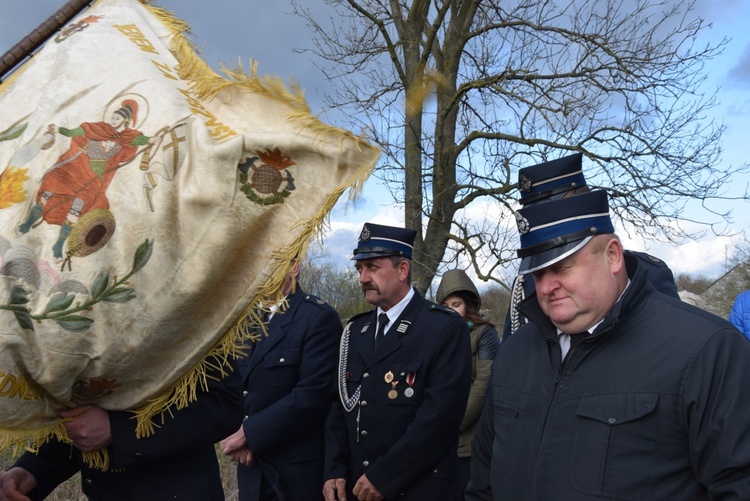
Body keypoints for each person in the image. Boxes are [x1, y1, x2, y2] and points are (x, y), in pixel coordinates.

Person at [466, 190, 750, 500]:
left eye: (561, 267)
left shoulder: (707, 349)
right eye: (537, 272)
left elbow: (737, 484)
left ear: (612, 255)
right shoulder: (515, 351)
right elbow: (483, 478)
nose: (545, 286)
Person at [323, 222, 472, 501]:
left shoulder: (443, 328)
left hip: (418, 490)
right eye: (359, 269)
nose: (362, 278)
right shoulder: (356, 331)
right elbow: (338, 407)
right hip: (358, 490)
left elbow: (440, 419)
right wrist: (334, 468)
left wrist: (384, 476)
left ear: (403, 270)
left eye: (372, 268)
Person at [0, 355, 244, 500]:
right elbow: (83, 417)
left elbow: (222, 405)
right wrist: (32, 471)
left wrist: (120, 431)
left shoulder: (189, 295)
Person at [503, 153, 679, 339]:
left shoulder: (648, 271)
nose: (542, 221)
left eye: (555, 210)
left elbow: (672, 336)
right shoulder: (525, 284)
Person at [220, 259, 342, 500]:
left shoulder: (317, 318)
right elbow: (234, 385)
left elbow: (312, 395)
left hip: (295, 476)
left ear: (294, 268)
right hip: (251, 469)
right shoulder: (246, 321)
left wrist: (249, 434)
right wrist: (234, 434)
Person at [16, 100, 155, 260]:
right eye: (113, 116)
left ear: (125, 121)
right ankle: (26, 225)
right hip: (72, 170)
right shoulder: (95, 129)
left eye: (117, 118)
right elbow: (70, 132)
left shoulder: (126, 138)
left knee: (76, 210)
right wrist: (57, 129)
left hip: (93, 180)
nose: (113, 120)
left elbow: (143, 140)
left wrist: (154, 139)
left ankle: (58, 244)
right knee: (48, 192)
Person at [435, 269, 500, 491]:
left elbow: (484, 382)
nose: (451, 310)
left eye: (456, 304)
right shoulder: (435, 336)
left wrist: (455, 422)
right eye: (446, 305)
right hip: (439, 437)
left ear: (468, 305)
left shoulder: (484, 334)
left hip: (470, 438)